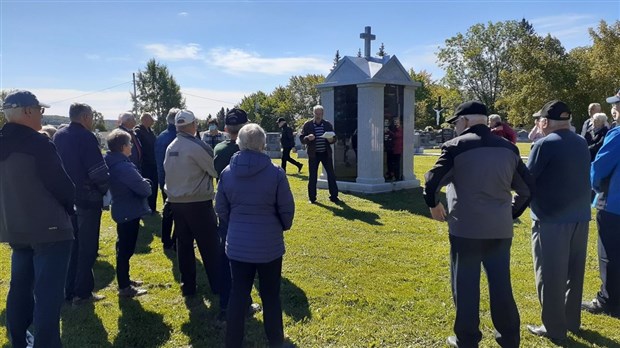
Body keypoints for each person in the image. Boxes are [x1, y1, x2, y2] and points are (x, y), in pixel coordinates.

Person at [423, 100, 533, 348]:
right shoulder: (509, 148)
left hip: (466, 230)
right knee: (501, 285)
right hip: (500, 230)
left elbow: (432, 182)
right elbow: (527, 189)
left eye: (456, 123)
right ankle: (509, 339)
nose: (455, 127)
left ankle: (467, 339)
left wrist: (433, 204)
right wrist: (511, 213)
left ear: (464, 121)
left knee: (465, 286)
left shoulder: (455, 147)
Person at [0, 90, 75, 348]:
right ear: (28, 111)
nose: (42, 116)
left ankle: (19, 341)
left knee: (19, 289)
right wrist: (70, 208)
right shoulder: (37, 143)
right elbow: (62, 186)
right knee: (48, 296)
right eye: (40, 111)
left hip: (15, 228)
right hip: (49, 228)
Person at [215, 123, 295, 348]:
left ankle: (233, 342)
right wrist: (280, 226)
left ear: (239, 143)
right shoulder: (275, 173)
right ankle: (276, 341)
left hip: (238, 246)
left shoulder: (227, 174)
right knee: (270, 296)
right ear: (263, 144)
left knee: (238, 294)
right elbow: (286, 209)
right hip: (268, 245)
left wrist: (236, 225)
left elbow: (220, 207)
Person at [526, 100, 591, 345]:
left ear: (544, 122)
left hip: (551, 219)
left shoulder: (544, 144)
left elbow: (528, 179)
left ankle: (553, 327)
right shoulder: (581, 141)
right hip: (580, 217)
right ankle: (571, 320)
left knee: (550, 274)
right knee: (574, 273)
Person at [54, 102, 110, 304]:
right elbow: (97, 171)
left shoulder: (59, 135)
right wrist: (105, 190)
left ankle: (68, 290)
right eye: (92, 117)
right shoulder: (86, 137)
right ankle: (83, 292)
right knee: (87, 247)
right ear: (86, 117)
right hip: (87, 199)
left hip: (66, 199)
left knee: (72, 247)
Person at [164, 109, 220, 297]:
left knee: (184, 245)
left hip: (176, 202)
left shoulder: (171, 146)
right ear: (193, 125)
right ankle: (218, 287)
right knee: (210, 247)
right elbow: (215, 169)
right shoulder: (197, 146)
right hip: (198, 202)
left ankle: (188, 286)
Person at [581, 91, 620, 318]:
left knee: (610, 255)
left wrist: (595, 187)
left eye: (616, 105)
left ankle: (609, 300)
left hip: (614, 203)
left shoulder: (617, 134)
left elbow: (599, 168)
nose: (613, 109)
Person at [104, 129, 151, 297]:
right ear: (123, 147)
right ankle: (124, 287)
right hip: (128, 211)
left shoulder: (112, 161)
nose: (131, 146)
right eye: (130, 143)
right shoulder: (123, 167)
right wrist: (147, 183)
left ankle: (124, 279)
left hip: (122, 209)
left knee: (122, 248)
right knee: (125, 249)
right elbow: (144, 189)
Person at [299, 105, 339, 204]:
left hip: (326, 153)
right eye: (316, 113)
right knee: (313, 176)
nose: (318, 116)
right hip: (313, 154)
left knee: (331, 175)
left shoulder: (327, 124)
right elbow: (302, 139)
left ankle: (334, 196)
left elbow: (334, 138)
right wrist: (308, 138)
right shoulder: (307, 125)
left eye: (320, 114)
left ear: (323, 114)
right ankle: (312, 198)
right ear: (313, 113)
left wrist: (331, 139)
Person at [155, 108, 179, 251]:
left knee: (167, 210)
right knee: (179, 212)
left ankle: (166, 239)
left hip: (164, 179)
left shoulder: (161, 136)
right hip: (177, 180)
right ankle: (176, 240)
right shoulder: (178, 137)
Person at [134, 112, 158, 212]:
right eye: (150, 119)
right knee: (146, 185)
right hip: (145, 164)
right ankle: (145, 207)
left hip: (153, 162)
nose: (152, 121)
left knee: (155, 185)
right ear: (144, 120)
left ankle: (152, 207)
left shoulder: (150, 131)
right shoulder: (138, 131)